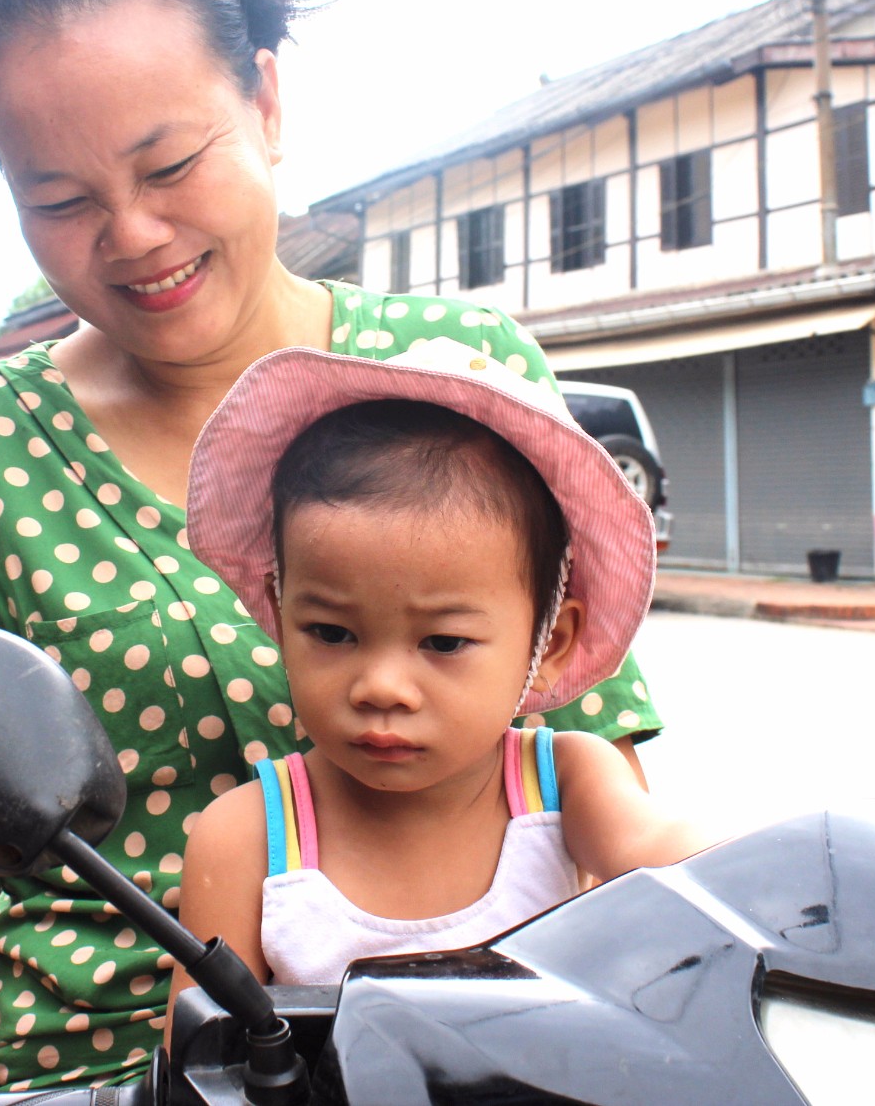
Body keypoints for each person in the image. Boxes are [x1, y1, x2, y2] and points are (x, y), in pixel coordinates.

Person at [0, 0, 667, 1097]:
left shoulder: (458, 374)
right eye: (59, 201)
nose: (131, 235)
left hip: (472, 1068)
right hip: (98, 1085)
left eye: (168, 165)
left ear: (266, 105)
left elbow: (598, 777)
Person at [168, 342, 705, 1019]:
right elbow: (200, 1062)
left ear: (552, 642)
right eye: (333, 632)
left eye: (444, 641)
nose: (383, 686)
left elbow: (665, 852)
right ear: (279, 609)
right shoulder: (248, 838)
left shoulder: (567, 785)